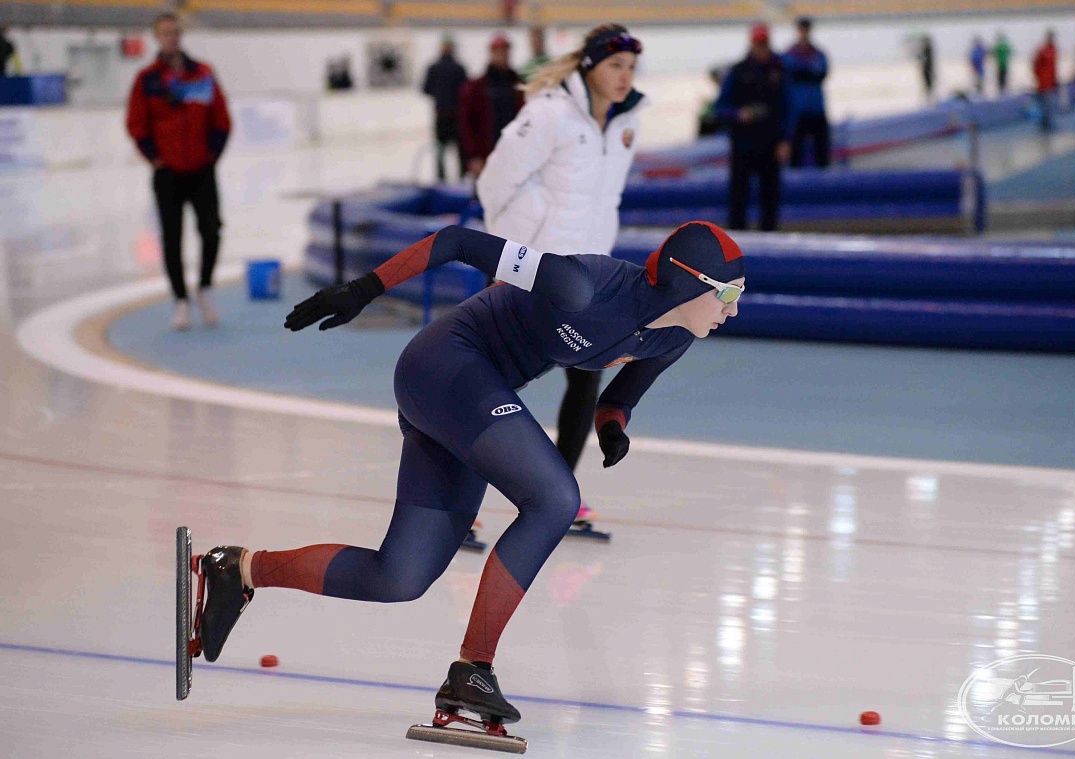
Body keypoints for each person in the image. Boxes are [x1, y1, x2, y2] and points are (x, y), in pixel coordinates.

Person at [195, 220, 747, 731]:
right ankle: (473, 669)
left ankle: (239, 569)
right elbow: (457, 241)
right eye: (727, 294)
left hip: (471, 397)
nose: (734, 310)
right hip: (446, 365)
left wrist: (613, 427)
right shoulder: (581, 283)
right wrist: (364, 288)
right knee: (555, 498)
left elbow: (621, 396)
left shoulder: (675, 334)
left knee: (400, 578)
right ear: (686, 283)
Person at [474, 24, 647, 540]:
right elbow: (493, 183)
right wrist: (520, 247)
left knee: (586, 376)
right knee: (486, 383)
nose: (625, 77)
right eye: (616, 65)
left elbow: (601, 200)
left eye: (632, 68)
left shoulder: (626, 123)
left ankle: (559, 496)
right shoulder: (549, 113)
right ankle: (458, 503)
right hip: (526, 266)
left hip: (586, 272)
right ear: (591, 65)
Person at [127, 12, 230, 331]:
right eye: (164, 33)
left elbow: (221, 119)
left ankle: (205, 288)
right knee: (171, 238)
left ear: (181, 34)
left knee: (211, 230)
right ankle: (180, 300)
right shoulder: (148, 80)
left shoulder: (202, 73)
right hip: (168, 173)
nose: (171, 37)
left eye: (175, 32)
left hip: (202, 170)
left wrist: (211, 155)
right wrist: (154, 157)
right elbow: (136, 123)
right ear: (157, 37)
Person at [716, 23, 790, 232]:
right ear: (752, 44)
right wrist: (738, 114)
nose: (762, 48)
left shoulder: (779, 70)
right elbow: (720, 108)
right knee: (738, 198)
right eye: (759, 44)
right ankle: (735, 244)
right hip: (743, 145)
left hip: (770, 145)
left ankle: (770, 243)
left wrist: (785, 140)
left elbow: (787, 108)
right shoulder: (737, 72)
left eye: (765, 43)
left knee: (770, 199)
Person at [458, 35, 524, 179]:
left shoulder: (518, 84)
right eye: (499, 51)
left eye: (506, 51)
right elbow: (466, 124)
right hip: (486, 157)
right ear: (492, 53)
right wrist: (473, 156)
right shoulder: (476, 87)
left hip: (514, 158)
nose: (504, 55)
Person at [783, 16, 830, 168]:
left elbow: (821, 75)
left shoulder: (818, 54)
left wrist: (802, 73)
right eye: (801, 29)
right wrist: (808, 73)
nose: (804, 32)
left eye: (806, 29)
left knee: (822, 152)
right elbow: (795, 74)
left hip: (816, 109)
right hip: (798, 111)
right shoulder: (790, 54)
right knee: (795, 152)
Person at [421, 36, 468, 182]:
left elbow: (426, 89)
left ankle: (451, 179)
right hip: (449, 115)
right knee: (448, 152)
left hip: (446, 115)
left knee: (451, 151)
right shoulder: (458, 68)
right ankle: (457, 179)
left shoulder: (436, 68)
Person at [1033, 30, 1058, 133]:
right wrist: (1039, 78)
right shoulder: (1042, 50)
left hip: (1050, 83)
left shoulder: (1054, 50)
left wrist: (1054, 80)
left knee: (1049, 104)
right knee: (1045, 104)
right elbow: (1036, 66)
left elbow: (1054, 67)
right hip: (1043, 83)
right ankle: (1044, 124)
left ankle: (1047, 123)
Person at [918, 34, 936, 103]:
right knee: (928, 83)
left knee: (928, 83)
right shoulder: (929, 48)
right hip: (928, 68)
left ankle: (929, 97)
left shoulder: (927, 49)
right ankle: (929, 97)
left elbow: (925, 60)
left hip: (927, 69)